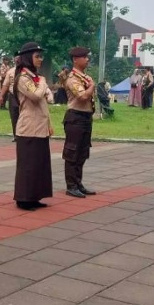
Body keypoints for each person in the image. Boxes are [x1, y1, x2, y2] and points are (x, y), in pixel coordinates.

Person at [13, 43, 54, 210]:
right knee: (28, 166)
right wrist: (43, 82)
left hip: (40, 126)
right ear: (27, 58)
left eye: (40, 56)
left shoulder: (35, 78)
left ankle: (35, 196)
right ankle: (23, 198)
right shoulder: (23, 78)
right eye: (37, 56)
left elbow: (49, 98)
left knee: (39, 164)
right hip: (29, 127)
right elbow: (37, 96)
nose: (40, 59)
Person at [63, 46, 96, 198]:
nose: (87, 59)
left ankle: (78, 182)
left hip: (86, 117)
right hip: (75, 117)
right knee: (72, 152)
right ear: (75, 60)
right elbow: (82, 97)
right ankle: (71, 185)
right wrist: (92, 87)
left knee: (83, 152)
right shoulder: (72, 78)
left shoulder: (85, 77)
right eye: (84, 57)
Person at [0, 56, 20, 141]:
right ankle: (16, 135)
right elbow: (6, 84)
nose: (17, 60)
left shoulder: (26, 71)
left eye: (19, 58)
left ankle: (23, 135)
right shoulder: (10, 71)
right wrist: (1, 96)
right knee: (14, 116)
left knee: (24, 115)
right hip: (13, 96)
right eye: (16, 58)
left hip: (24, 96)